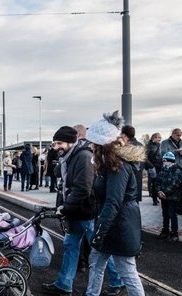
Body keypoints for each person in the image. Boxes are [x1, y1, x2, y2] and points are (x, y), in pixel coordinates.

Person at [85, 111, 145, 296]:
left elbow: (113, 202)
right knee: (96, 262)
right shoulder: (110, 165)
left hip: (119, 226)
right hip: (113, 224)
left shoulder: (118, 167)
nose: (91, 146)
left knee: (127, 271)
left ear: (102, 145)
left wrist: (100, 231)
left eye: (93, 143)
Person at [41, 126, 96, 296]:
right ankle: (64, 285)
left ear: (72, 142)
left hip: (86, 212)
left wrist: (65, 207)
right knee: (70, 246)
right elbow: (65, 180)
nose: (56, 147)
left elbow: (83, 188)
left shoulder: (84, 157)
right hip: (75, 212)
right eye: (54, 143)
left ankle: (118, 282)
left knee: (100, 250)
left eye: (59, 143)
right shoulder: (68, 157)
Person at [155, 152, 182, 242]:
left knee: (172, 215)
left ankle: (174, 233)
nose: (164, 162)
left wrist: (164, 193)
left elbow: (174, 184)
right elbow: (158, 181)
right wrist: (159, 191)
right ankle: (165, 230)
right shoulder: (163, 169)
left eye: (165, 161)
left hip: (173, 197)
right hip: (164, 197)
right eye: (163, 161)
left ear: (170, 161)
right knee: (165, 214)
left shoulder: (177, 170)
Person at [160, 128, 182, 216]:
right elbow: (163, 154)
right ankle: (170, 209)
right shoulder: (165, 143)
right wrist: (177, 151)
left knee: (181, 190)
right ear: (173, 134)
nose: (179, 137)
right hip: (170, 170)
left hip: (181, 169)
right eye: (177, 135)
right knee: (171, 189)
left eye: (180, 135)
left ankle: (179, 208)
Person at [120, 125, 145, 203]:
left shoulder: (125, 146)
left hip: (127, 178)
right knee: (135, 203)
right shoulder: (140, 145)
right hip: (138, 177)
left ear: (124, 134)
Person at [146, 133, 163, 206]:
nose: (160, 139)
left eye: (160, 137)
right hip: (152, 167)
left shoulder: (160, 145)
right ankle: (154, 199)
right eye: (158, 137)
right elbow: (145, 157)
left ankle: (156, 196)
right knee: (154, 182)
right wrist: (150, 166)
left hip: (160, 166)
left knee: (159, 182)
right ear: (154, 138)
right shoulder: (149, 146)